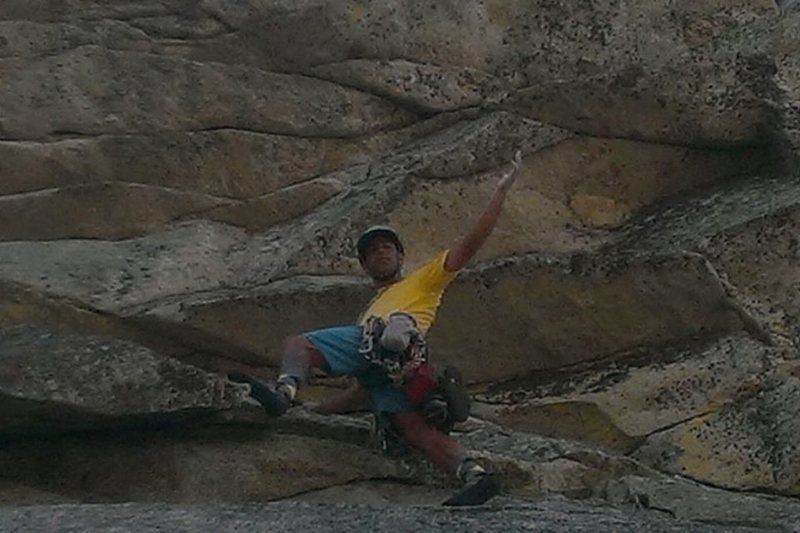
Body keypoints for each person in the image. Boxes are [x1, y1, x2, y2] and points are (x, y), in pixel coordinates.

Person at [235, 151, 522, 506]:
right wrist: (310, 414)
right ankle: (474, 474)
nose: (380, 253)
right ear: (365, 264)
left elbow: (470, 244)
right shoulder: (367, 314)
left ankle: (283, 392)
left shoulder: (424, 280)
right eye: (372, 251)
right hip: (391, 369)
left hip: (393, 343)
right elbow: (361, 392)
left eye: (387, 247)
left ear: (402, 257)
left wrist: (501, 193)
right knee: (413, 428)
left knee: (300, 345)